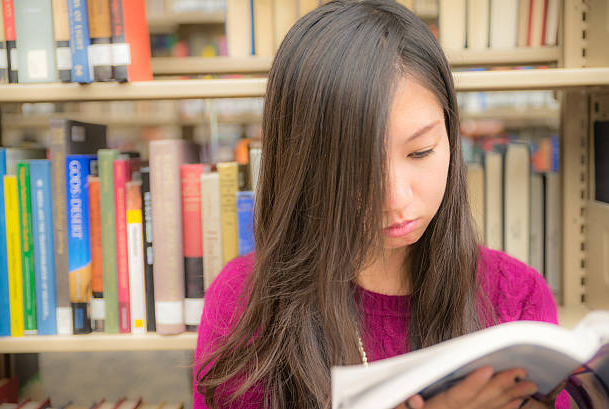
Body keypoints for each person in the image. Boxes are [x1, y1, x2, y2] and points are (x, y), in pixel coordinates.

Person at [193, 1, 569, 408]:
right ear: (304, 164)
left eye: (421, 151)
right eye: (359, 167)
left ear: (451, 136)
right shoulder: (244, 306)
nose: (396, 199)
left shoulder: (515, 298)